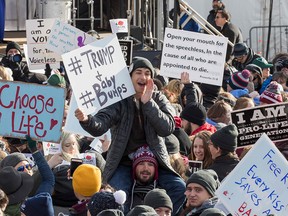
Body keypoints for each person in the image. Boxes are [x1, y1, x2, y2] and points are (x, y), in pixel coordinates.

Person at [75, 56, 186, 215]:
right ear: (130, 77)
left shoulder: (158, 98)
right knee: (119, 196)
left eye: (147, 73)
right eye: (138, 72)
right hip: (123, 163)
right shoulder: (119, 100)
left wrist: (149, 104)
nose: (143, 77)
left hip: (156, 162)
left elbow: (167, 128)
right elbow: (101, 124)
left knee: (179, 188)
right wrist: (87, 120)